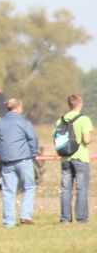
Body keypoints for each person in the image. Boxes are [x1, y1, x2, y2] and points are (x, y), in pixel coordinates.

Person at [0, 98, 38, 227]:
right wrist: (33, 155)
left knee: (8, 192)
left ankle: (9, 222)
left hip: (6, 162)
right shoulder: (24, 122)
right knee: (29, 187)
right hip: (24, 160)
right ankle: (25, 215)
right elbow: (32, 139)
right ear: (18, 107)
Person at [57, 94, 93, 224]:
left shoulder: (60, 120)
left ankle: (65, 219)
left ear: (69, 104)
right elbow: (87, 139)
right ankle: (82, 219)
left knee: (66, 190)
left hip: (65, 159)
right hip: (80, 158)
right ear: (80, 104)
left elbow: (56, 139)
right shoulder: (84, 119)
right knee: (81, 189)